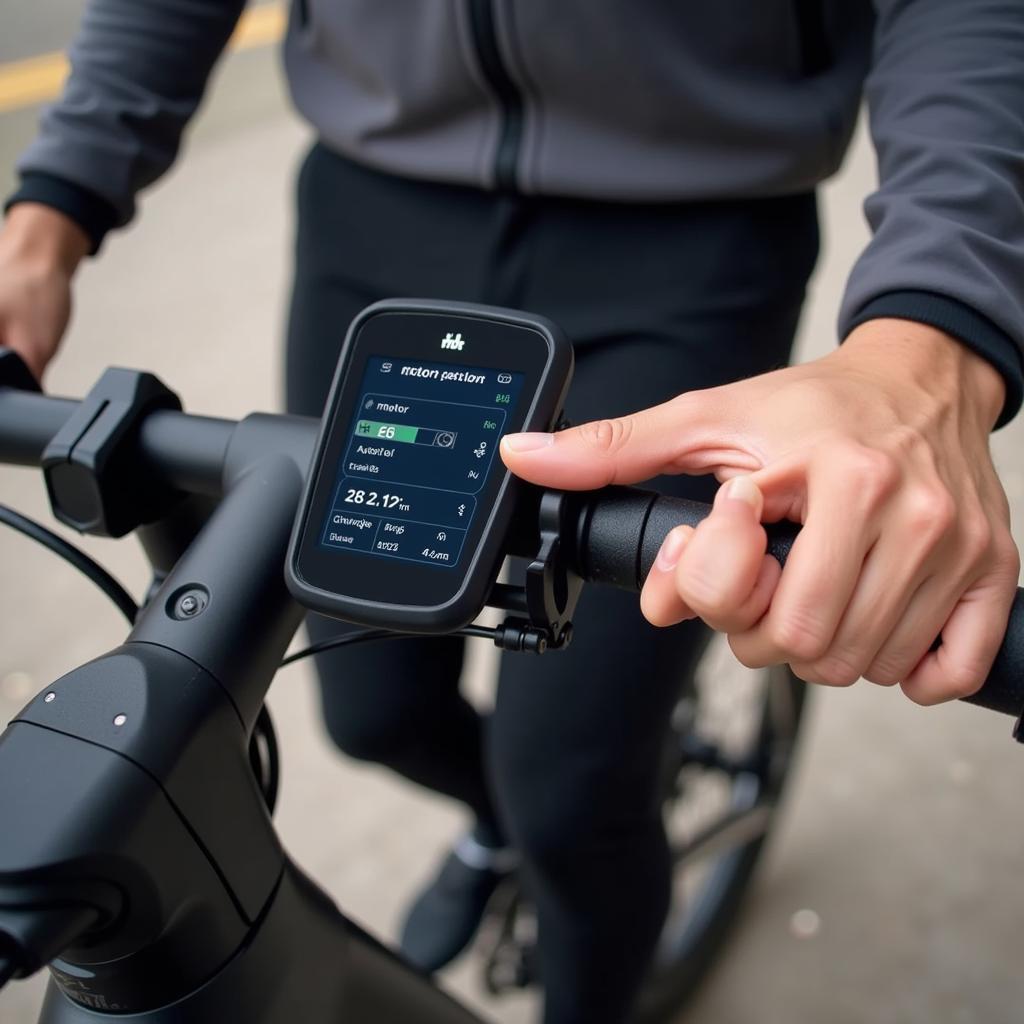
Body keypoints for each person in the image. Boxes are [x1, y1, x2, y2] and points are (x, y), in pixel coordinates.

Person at [1, 4, 1022, 1023]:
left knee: (573, 797)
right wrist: (45, 221)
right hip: (375, 217)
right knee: (372, 712)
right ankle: (498, 826)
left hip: (692, 234)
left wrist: (929, 339)